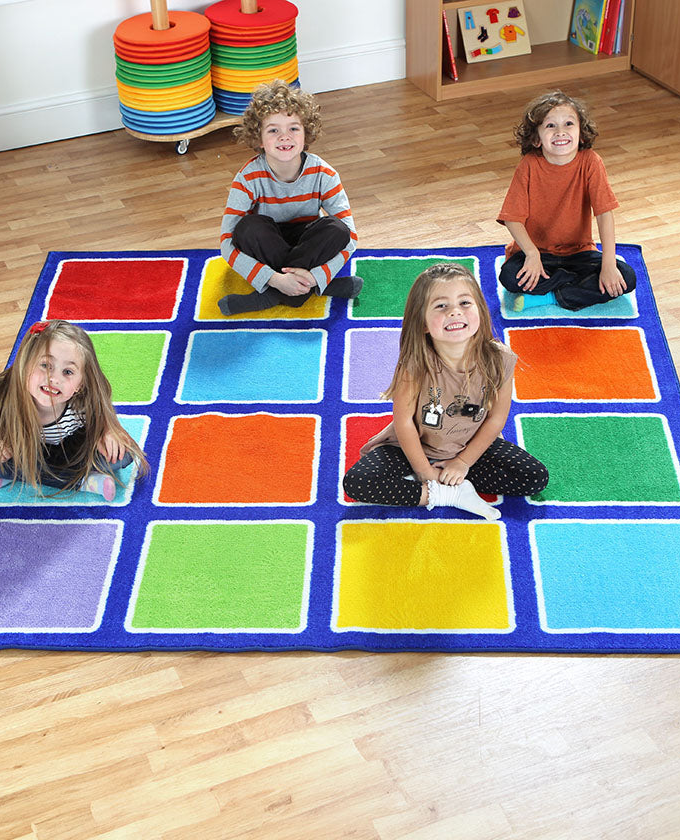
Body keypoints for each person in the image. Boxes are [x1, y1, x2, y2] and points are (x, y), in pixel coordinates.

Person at [343, 263, 548, 517]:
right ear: (423, 323)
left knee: (534, 476)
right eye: (441, 306)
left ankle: (445, 478)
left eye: (465, 303)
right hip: (411, 448)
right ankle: (447, 493)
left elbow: (496, 419)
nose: (455, 312)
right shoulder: (415, 364)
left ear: (480, 310)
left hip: (467, 446)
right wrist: (425, 473)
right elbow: (404, 422)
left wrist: (463, 462)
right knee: (357, 482)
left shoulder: (501, 359)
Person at [218, 79, 362, 316]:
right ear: (259, 138)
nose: (284, 137)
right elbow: (226, 242)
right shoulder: (247, 178)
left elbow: (351, 236)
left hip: (308, 243)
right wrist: (274, 278)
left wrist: (316, 276)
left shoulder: (324, 174)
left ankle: (274, 296)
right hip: (267, 243)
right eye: (273, 130)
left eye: (293, 128)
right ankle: (311, 290)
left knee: (337, 229)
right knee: (247, 228)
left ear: (306, 133)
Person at [0, 319, 148, 500]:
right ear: (25, 365)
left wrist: (106, 431)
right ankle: (85, 482)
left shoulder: (81, 403)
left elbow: (103, 408)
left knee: (122, 455)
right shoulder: (5, 397)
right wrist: (3, 440)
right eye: (45, 365)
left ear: (80, 384)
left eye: (68, 372)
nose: (54, 378)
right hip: (25, 447)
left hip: (70, 450)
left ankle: (17, 474)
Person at [497, 89, 636, 311]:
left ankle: (549, 297)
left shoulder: (591, 162)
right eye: (550, 126)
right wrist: (532, 254)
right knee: (509, 277)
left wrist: (608, 264)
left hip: (580, 253)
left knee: (626, 277)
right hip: (539, 253)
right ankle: (576, 289)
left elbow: (604, 214)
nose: (560, 132)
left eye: (569, 124)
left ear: (581, 134)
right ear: (536, 139)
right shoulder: (529, 165)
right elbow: (512, 219)